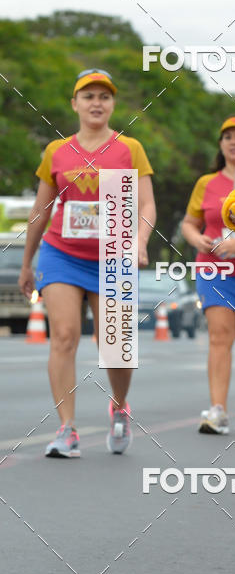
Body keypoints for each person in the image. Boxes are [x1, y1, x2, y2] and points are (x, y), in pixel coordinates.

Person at [18, 69, 156, 457]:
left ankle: (119, 405)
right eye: (88, 96)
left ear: (113, 105)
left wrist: (140, 240)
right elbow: (40, 210)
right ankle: (67, 428)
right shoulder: (56, 152)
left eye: (105, 96)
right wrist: (28, 262)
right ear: (74, 104)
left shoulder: (129, 147)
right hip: (61, 252)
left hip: (113, 253)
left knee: (114, 345)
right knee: (63, 335)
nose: (97, 102)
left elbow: (146, 205)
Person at [182, 117, 235, 435]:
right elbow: (189, 223)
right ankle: (217, 410)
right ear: (220, 144)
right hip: (213, 268)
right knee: (219, 335)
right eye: (227, 136)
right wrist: (196, 238)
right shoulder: (207, 183)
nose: (234, 142)